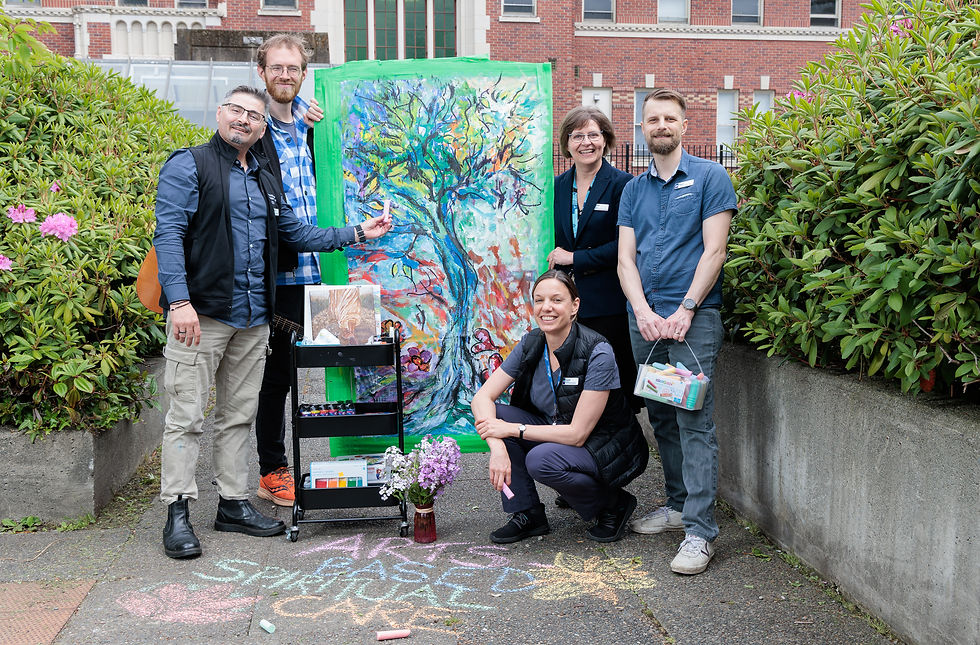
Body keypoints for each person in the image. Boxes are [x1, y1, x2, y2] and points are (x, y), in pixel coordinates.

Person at [153, 85, 392, 559]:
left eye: (253, 116)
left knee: (239, 416)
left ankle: (233, 504)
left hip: (254, 317)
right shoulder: (190, 164)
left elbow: (294, 233)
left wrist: (359, 232)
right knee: (185, 417)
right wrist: (178, 302)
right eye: (236, 111)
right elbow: (169, 233)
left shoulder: (263, 175)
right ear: (220, 113)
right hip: (201, 315)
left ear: (263, 127)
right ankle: (177, 512)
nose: (243, 120)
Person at [617, 88, 736, 575]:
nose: (660, 125)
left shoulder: (711, 177)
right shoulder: (632, 190)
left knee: (694, 420)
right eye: (652, 119)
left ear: (685, 124)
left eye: (669, 118)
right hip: (644, 320)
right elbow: (626, 260)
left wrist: (687, 307)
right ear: (642, 128)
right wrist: (642, 310)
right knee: (662, 417)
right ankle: (677, 505)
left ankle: (700, 532)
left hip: (694, 320)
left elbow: (715, 252)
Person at [471, 270, 649, 544]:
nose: (546, 308)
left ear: (574, 306)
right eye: (539, 300)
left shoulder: (597, 351)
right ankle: (527, 513)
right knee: (499, 415)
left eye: (556, 299)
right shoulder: (532, 342)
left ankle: (612, 503)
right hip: (554, 428)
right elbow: (482, 398)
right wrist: (497, 447)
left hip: (602, 443)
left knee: (540, 460)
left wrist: (512, 430)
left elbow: (577, 434)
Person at [252, 34, 329, 507]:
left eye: (293, 68)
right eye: (276, 67)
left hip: (326, 271)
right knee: (277, 377)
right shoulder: (255, 131)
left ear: (303, 73)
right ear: (262, 73)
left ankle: (357, 455)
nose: (285, 75)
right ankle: (272, 469)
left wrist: (317, 126)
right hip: (280, 276)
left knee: (347, 363)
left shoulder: (313, 125)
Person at [548, 106, 640, 415]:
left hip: (608, 304)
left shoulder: (623, 184)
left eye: (593, 135)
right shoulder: (557, 187)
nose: (586, 143)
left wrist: (574, 257)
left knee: (613, 387)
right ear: (567, 143)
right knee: (573, 386)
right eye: (578, 136)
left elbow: (625, 245)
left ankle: (621, 454)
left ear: (606, 140)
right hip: (567, 307)